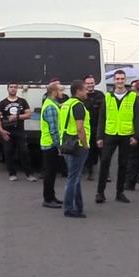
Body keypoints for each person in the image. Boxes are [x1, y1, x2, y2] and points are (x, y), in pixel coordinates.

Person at [96, 69, 139, 204]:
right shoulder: (108, 97)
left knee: (123, 164)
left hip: (126, 135)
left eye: (122, 79)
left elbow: (137, 118)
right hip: (110, 134)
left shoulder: (132, 97)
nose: (120, 81)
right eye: (117, 79)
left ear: (125, 80)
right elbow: (102, 118)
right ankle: (100, 193)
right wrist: (99, 137)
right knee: (104, 162)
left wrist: (136, 136)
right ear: (114, 81)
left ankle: (119, 193)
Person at [60, 80, 91, 218]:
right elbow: (80, 128)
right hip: (77, 145)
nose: (87, 92)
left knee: (75, 176)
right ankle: (68, 208)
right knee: (73, 178)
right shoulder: (78, 106)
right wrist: (85, 144)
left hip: (67, 143)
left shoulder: (66, 104)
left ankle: (79, 206)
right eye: (85, 89)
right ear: (78, 91)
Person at [0, 83, 37, 182]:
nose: (13, 89)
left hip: (20, 132)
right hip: (7, 132)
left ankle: (29, 174)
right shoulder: (3, 103)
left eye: (15, 87)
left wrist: (17, 117)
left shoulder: (22, 101)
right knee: (8, 153)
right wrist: (1, 131)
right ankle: (12, 174)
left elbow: (29, 114)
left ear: (17, 89)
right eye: (11, 87)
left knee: (24, 152)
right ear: (7, 89)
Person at [40, 82, 64, 208]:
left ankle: (51, 197)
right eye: (60, 90)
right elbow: (53, 129)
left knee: (52, 173)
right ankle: (48, 199)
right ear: (54, 92)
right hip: (50, 145)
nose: (62, 92)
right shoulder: (51, 107)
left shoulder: (52, 104)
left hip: (49, 144)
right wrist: (59, 146)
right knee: (49, 174)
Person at [83, 75, 105, 181]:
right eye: (88, 83)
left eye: (91, 83)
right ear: (84, 84)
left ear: (95, 83)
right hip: (87, 127)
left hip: (99, 127)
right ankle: (90, 172)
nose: (90, 85)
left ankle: (106, 173)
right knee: (89, 151)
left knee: (102, 151)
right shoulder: (82, 96)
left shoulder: (100, 95)